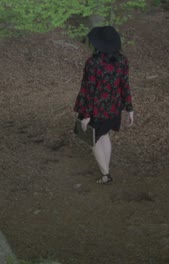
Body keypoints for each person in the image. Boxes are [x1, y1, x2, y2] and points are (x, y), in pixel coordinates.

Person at [73, 26, 134, 184]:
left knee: (93, 140)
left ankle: (106, 175)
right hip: (113, 109)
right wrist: (129, 108)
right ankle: (106, 171)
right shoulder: (122, 60)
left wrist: (86, 115)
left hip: (96, 110)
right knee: (104, 135)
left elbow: (88, 89)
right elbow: (124, 85)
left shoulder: (93, 62)